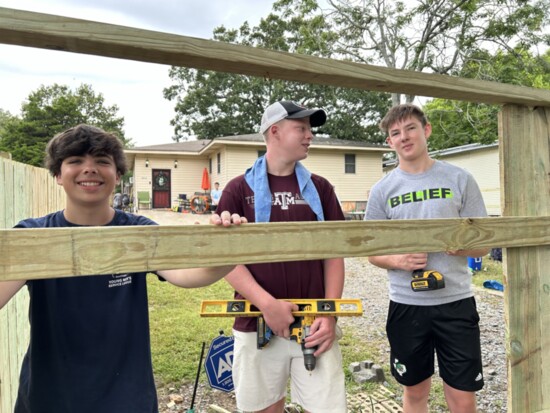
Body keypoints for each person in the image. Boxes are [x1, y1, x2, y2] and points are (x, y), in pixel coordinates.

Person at [0, 124, 246, 413]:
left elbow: (190, 274)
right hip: (49, 397)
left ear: (117, 175)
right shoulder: (33, 235)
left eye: (102, 161)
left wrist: (229, 247)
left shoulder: (138, 231)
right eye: (75, 161)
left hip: (126, 398)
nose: (89, 169)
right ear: (57, 175)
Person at [216, 100, 347, 413]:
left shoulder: (321, 189)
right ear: (274, 132)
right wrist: (267, 305)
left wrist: (329, 315)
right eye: (301, 128)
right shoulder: (238, 190)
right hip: (255, 324)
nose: (309, 136)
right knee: (262, 408)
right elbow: (225, 259)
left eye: (309, 130)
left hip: (316, 327)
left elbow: (335, 255)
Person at [365, 104, 490, 413]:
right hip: (407, 305)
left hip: (456, 303)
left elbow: (485, 245)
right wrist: (398, 260)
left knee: (462, 397)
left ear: (426, 130)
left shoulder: (460, 179)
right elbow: (372, 252)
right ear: (389, 142)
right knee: (415, 393)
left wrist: (462, 247)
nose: (404, 137)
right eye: (396, 133)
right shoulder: (382, 191)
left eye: (410, 128)